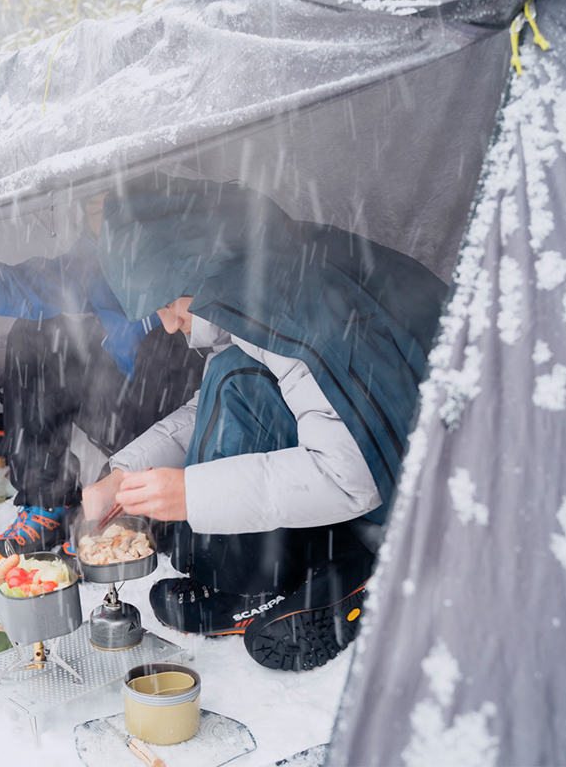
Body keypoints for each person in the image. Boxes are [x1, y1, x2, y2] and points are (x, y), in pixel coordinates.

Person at [83, 176, 446, 671]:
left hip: (432, 493)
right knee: (233, 379)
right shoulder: (255, 280)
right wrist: (125, 473)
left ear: (194, 268)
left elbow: (350, 473)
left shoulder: (287, 298)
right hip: (397, 460)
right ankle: (324, 561)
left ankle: (252, 586)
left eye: (167, 303)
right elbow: (211, 407)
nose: (168, 324)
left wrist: (194, 495)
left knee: (238, 380)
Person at [0, 194, 205, 561]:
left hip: (187, 421)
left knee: (163, 346)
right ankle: (48, 501)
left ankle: (147, 505)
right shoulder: (88, 265)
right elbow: (18, 287)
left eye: (119, 205)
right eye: (99, 212)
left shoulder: (185, 251)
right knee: (36, 334)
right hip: (120, 409)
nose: (112, 223)